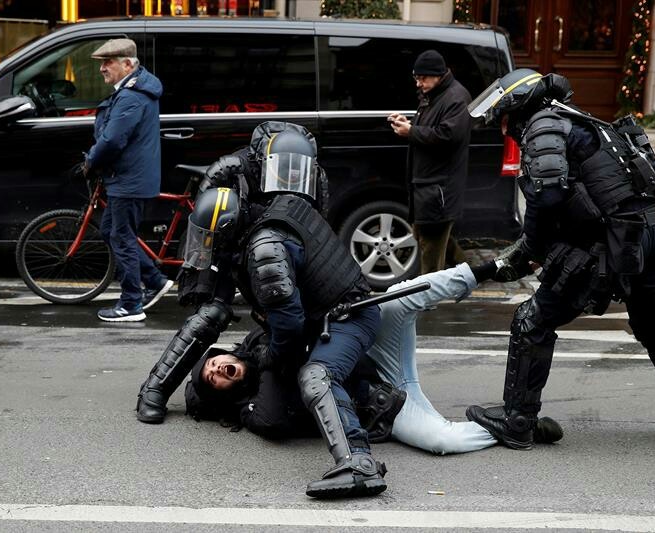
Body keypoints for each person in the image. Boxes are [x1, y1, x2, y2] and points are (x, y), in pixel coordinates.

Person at [464, 68, 655, 450]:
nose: (502, 129)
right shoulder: (582, 120)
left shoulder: (543, 124)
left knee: (532, 321)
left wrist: (531, 250)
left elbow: (546, 196)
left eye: (502, 118)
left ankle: (517, 421)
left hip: (605, 244)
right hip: (648, 234)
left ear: (519, 106)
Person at [136, 123, 387, 499]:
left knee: (316, 376)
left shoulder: (265, 245)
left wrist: (269, 361)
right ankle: (153, 389)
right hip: (314, 313)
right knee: (213, 314)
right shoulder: (247, 211)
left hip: (346, 316)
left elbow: (287, 329)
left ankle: (360, 463)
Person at [185, 262, 564, 455]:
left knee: (398, 295)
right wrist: (277, 356)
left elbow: (305, 317)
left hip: (374, 355)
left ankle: (493, 268)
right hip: (384, 406)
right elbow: (274, 413)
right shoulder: (255, 410)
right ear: (224, 393)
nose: (217, 368)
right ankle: (519, 425)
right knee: (441, 441)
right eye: (214, 378)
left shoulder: (255, 340)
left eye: (213, 362)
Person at [83, 38, 172, 322]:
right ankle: (155, 281)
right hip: (129, 177)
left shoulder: (132, 96)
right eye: (102, 63)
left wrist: (90, 161)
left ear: (127, 64)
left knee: (120, 236)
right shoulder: (134, 90)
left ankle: (131, 304)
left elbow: (112, 140)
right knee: (113, 230)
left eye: (107, 63)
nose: (102, 69)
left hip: (128, 179)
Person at [388, 49, 472, 274]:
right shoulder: (435, 95)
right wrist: (408, 123)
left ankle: (428, 301)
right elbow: (431, 128)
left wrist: (411, 131)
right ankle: (472, 273)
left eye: (422, 78)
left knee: (430, 248)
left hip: (439, 188)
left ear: (438, 75)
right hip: (428, 186)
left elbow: (447, 136)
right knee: (431, 239)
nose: (418, 83)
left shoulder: (456, 97)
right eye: (416, 78)